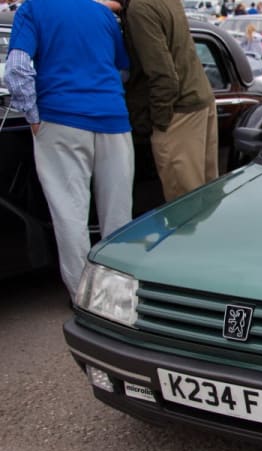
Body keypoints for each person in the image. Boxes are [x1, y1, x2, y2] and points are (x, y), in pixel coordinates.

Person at [4, 0, 134, 302]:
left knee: (70, 212)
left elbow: (18, 68)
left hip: (61, 117)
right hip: (113, 118)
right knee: (118, 214)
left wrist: (33, 116)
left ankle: (85, 297)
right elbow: (122, 70)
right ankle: (118, 297)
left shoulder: (33, 9)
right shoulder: (102, 13)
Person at [122, 0, 218, 203]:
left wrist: (160, 123)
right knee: (205, 200)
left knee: (183, 205)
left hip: (178, 110)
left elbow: (164, 75)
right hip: (197, 98)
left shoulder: (140, 9)